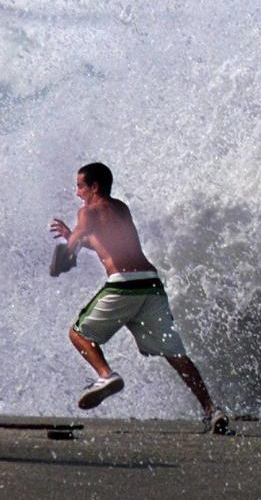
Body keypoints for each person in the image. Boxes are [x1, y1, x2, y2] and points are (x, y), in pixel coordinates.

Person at [50, 162, 230, 434]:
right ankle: (210, 410)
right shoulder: (121, 208)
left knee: (78, 333)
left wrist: (67, 246)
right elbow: (107, 243)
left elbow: (71, 250)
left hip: (124, 285)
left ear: (94, 187)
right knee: (174, 352)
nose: (77, 193)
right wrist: (73, 236)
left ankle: (105, 376)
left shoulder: (87, 212)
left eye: (80, 186)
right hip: (151, 285)